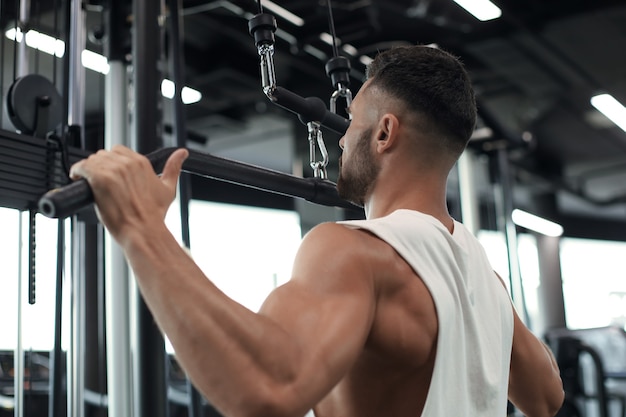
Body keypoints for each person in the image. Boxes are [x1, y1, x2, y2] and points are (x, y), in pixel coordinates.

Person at [70, 45, 564, 416]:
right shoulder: (485, 278)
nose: (343, 137)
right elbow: (547, 397)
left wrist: (141, 227)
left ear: (385, 133)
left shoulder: (356, 252)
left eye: (350, 121)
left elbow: (269, 389)